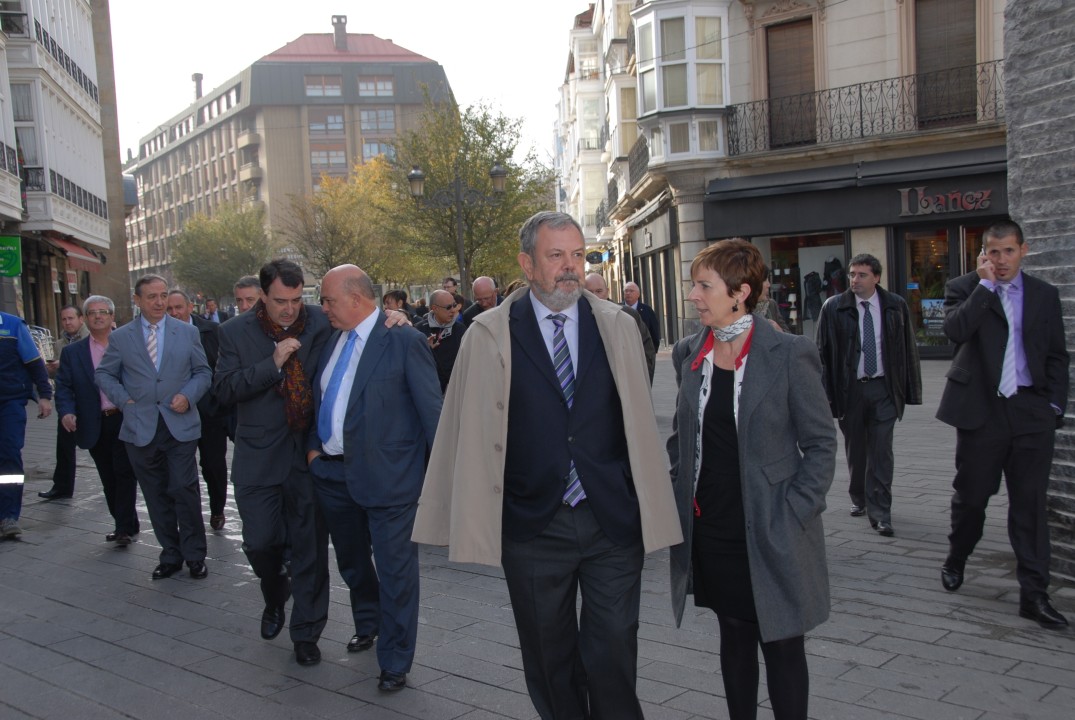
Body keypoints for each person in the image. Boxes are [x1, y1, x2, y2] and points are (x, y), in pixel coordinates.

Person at [413, 211, 682, 720]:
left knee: (614, 648)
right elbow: (459, 424)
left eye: (577, 255)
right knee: (548, 656)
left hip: (611, 519)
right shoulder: (487, 334)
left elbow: (637, 416)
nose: (570, 267)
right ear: (527, 264)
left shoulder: (617, 326)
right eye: (555, 255)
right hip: (533, 525)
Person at [667, 239, 836, 720]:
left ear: (740, 292)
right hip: (714, 526)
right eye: (694, 285)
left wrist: (796, 510)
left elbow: (821, 443)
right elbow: (681, 436)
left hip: (772, 525)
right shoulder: (690, 352)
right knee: (734, 635)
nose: (693, 296)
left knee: (782, 643)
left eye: (704, 286)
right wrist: (681, 488)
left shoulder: (789, 353)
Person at [306, 264, 442, 693]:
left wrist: (440, 483)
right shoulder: (331, 338)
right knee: (351, 562)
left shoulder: (403, 341)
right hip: (332, 474)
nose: (323, 308)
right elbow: (322, 397)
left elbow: (432, 413)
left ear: (356, 299)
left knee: (396, 573)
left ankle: (395, 659)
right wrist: (314, 450)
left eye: (328, 300)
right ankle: (368, 622)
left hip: (391, 481)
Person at [935, 220, 1070, 629]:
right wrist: (985, 286)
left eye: (1009, 251)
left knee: (1030, 506)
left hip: (1031, 413)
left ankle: (1034, 594)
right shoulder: (965, 288)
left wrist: (1053, 407)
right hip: (982, 412)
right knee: (972, 498)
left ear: (1023, 250)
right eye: (993, 252)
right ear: (983, 254)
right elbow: (955, 331)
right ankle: (958, 555)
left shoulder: (1044, 295)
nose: (1002, 259)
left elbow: (1057, 356)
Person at [213, 259, 333, 666]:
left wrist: (395, 319)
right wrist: (272, 364)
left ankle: (307, 633)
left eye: (297, 300)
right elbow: (224, 389)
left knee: (310, 550)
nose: (290, 309)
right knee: (260, 543)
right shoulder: (234, 332)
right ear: (263, 295)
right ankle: (275, 590)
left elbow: (363, 326)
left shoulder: (320, 322)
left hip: (307, 455)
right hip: (258, 458)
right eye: (281, 301)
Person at [96, 275, 212, 580]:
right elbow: (104, 374)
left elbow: (203, 372)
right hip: (141, 428)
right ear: (137, 300)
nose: (160, 302)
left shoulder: (187, 332)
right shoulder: (121, 337)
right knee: (156, 493)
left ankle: (195, 555)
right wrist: (124, 400)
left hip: (180, 425)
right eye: (152, 297)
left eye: (163, 295)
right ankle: (170, 554)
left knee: (184, 488)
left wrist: (188, 396)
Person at [815, 254, 922, 536]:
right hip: (849, 389)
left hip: (884, 388)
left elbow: (907, 349)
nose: (855, 280)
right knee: (857, 449)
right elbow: (821, 353)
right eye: (852, 274)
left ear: (876, 277)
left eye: (862, 275)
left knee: (881, 451)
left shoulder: (895, 305)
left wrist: (911, 390)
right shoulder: (833, 307)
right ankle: (859, 496)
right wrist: (824, 395)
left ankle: (881, 513)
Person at [54, 296, 140, 546]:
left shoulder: (129, 345)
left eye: (103, 312)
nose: (98, 316)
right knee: (108, 475)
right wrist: (66, 412)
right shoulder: (73, 353)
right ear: (84, 319)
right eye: (92, 313)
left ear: (112, 316)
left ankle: (123, 528)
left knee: (124, 472)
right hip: (94, 422)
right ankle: (126, 522)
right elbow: (64, 386)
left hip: (124, 417)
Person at [167, 290, 229, 530]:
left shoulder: (212, 331)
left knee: (213, 464)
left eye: (178, 307)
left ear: (190, 307)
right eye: (169, 309)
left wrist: (215, 400)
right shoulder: (160, 335)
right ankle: (189, 516)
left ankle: (217, 509)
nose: (174, 313)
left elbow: (222, 368)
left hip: (209, 412)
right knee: (181, 470)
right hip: (175, 413)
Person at [0, 310, 53, 538]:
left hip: (9, 402)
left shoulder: (12, 325)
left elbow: (34, 362)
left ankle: (8, 515)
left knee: (9, 454)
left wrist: (45, 395)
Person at [40, 305, 89, 500]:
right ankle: (62, 487)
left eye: (71, 318)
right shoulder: (60, 343)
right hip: (68, 401)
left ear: (81, 319)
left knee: (102, 447)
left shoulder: (90, 338)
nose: (67, 322)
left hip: (89, 399)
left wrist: (64, 363)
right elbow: (60, 376)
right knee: (64, 446)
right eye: (64, 319)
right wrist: (51, 370)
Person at [584, 272, 656, 383]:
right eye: (589, 292)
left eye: (599, 291)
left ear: (607, 292)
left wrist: (641, 383)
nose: (594, 296)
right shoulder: (577, 321)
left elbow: (647, 351)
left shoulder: (628, 316)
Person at [413, 289, 467, 394]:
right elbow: (414, 363)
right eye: (448, 307)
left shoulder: (461, 329)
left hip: (456, 390)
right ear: (435, 308)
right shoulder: (419, 330)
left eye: (454, 305)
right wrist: (426, 350)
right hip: (429, 391)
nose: (453, 310)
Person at [623, 281, 660, 349]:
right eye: (626, 291)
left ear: (638, 294)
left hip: (642, 349)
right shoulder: (618, 309)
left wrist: (652, 351)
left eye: (631, 291)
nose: (628, 293)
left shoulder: (647, 310)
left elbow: (654, 332)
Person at [754, 266, 789, 332]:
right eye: (765, 280)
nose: (769, 285)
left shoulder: (771, 304)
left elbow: (788, 334)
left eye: (768, 279)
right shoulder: (741, 310)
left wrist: (779, 330)